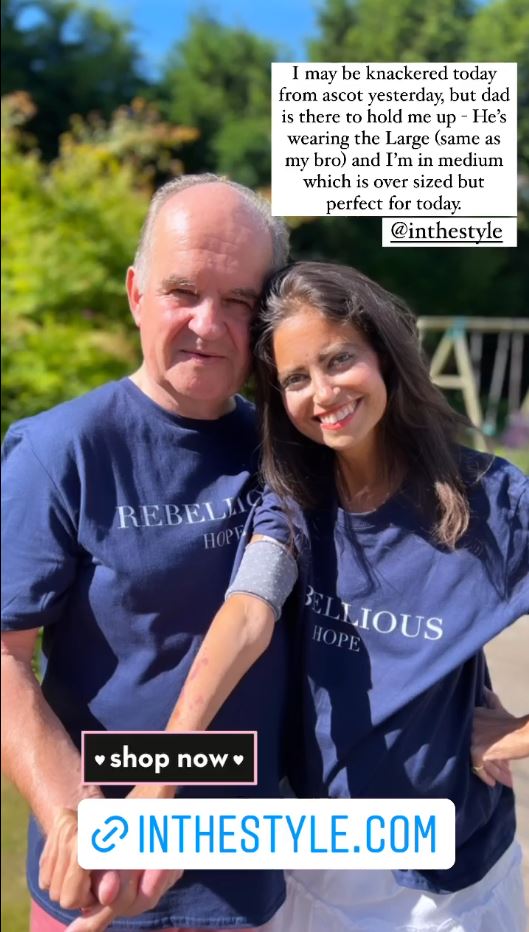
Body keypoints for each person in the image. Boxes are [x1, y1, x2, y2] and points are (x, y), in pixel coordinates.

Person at [55, 260, 526, 931]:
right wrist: (153, 794)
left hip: (445, 888)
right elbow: (247, 614)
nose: (323, 392)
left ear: (383, 353)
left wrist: (511, 735)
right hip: (305, 861)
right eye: (296, 379)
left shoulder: (492, 502)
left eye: (338, 360)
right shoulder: (294, 501)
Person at [1, 174, 291, 932]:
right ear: (135, 293)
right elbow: (5, 655)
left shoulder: (290, 448)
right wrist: (78, 815)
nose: (209, 323)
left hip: (251, 880)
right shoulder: (59, 452)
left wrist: (477, 705)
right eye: (181, 291)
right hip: (98, 880)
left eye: (240, 301)